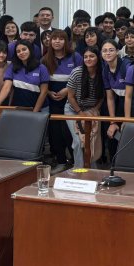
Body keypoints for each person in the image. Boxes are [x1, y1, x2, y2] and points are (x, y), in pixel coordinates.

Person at [41, 30, 80, 166]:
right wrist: (48, 92)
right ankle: (60, 161)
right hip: (52, 101)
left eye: (61, 39)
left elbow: (81, 78)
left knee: (70, 132)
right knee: (55, 133)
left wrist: (67, 90)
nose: (57, 41)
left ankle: (75, 162)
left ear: (66, 41)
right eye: (54, 39)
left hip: (71, 101)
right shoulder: (45, 59)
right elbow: (41, 82)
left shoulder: (75, 57)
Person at [65, 46, 105, 168]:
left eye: (92, 56)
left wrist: (95, 109)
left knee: (91, 140)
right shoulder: (77, 72)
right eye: (86, 57)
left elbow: (103, 96)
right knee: (78, 141)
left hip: (92, 110)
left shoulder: (103, 73)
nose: (88, 59)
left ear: (98, 58)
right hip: (73, 109)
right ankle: (79, 170)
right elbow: (70, 96)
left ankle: (92, 168)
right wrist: (80, 112)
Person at [0, 40, 49, 110]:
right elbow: (6, 87)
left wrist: (35, 112)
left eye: (24, 49)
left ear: (30, 50)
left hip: (40, 109)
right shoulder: (13, 66)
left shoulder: (41, 68)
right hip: (18, 109)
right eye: (18, 51)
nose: (21, 53)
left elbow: (44, 92)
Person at [102, 39, 128, 159]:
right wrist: (113, 122)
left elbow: (130, 96)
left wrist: (127, 120)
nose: (107, 53)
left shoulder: (126, 66)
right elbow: (110, 97)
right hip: (119, 102)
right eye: (104, 51)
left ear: (117, 51)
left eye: (111, 50)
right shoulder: (105, 70)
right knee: (112, 134)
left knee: (127, 134)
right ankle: (114, 164)